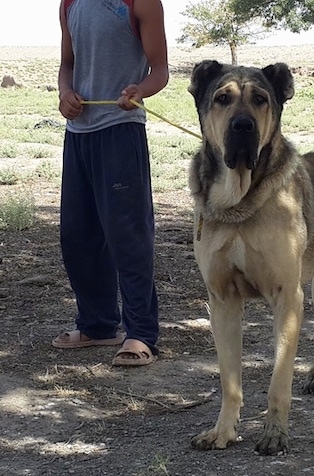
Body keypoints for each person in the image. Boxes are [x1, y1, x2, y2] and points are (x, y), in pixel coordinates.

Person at [52, 0, 169, 366]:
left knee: (127, 235)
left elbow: (161, 70)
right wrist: (65, 92)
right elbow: (67, 65)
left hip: (120, 131)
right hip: (78, 134)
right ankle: (98, 325)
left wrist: (140, 90)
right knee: (78, 235)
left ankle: (140, 333)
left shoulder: (141, 2)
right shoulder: (69, 3)